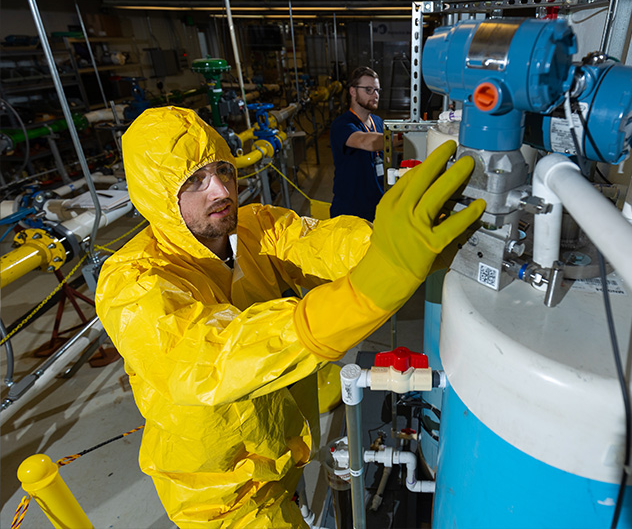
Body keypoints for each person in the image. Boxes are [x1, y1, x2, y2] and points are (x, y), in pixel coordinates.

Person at [95, 105, 485, 528]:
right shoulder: (132, 282)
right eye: (195, 181)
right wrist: (363, 293)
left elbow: (319, 243)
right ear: (157, 196)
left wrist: (389, 251)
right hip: (224, 492)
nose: (221, 191)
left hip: (284, 443)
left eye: (223, 170)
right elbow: (207, 359)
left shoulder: (252, 226)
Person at [329, 66, 386, 221]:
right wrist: (398, 137)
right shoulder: (342, 125)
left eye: (377, 90)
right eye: (368, 90)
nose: (375, 95)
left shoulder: (378, 122)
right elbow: (364, 141)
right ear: (353, 91)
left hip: (378, 207)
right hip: (350, 211)